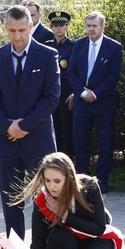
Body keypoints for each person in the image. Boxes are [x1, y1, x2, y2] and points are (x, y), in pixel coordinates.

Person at [0, 5, 60, 239]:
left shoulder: (48, 55)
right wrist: (8, 126)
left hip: (38, 140)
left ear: (30, 27)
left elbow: (52, 97)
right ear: (5, 28)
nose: (16, 36)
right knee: (11, 200)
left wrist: (23, 126)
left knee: (47, 198)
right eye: (11, 30)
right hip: (7, 140)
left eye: (21, 30)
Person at [14, 152, 121, 249]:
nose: (51, 186)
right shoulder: (42, 199)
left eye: (57, 181)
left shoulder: (90, 186)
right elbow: (38, 243)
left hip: (95, 239)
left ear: (69, 178)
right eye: (47, 180)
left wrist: (64, 215)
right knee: (59, 238)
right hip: (67, 241)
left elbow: (99, 228)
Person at [67, 11, 123, 194]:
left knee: (105, 142)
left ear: (102, 27)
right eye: (88, 26)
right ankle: (82, 178)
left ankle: (101, 181)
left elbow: (113, 76)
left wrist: (96, 94)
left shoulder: (114, 47)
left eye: (94, 26)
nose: (91, 29)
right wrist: (83, 92)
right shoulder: (79, 45)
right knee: (80, 140)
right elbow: (72, 72)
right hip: (82, 102)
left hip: (104, 102)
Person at [46, 10, 75, 158]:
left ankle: (67, 161)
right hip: (50, 91)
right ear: (51, 27)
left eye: (62, 25)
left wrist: (75, 92)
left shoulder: (73, 46)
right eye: (56, 25)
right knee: (52, 127)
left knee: (66, 128)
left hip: (66, 91)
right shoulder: (47, 46)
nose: (59, 28)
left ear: (67, 27)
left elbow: (77, 71)